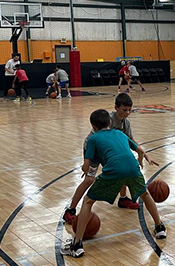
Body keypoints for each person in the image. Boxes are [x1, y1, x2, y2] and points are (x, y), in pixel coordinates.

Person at [61, 108, 166, 258]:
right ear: (110, 123)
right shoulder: (120, 133)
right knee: (145, 193)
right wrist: (140, 161)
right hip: (133, 169)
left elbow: (86, 166)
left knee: (88, 201)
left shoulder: (92, 139)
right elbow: (140, 150)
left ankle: (77, 244)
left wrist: (85, 169)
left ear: (94, 127)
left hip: (113, 171)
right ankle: (160, 227)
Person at [63, 93, 152, 223]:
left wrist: (144, 154)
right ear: (116, 108)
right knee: (89, 180)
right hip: (93, 150)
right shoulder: (107, 119)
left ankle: (123, 199)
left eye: (129, 110)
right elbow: (95, 139)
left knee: (121, 170)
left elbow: (131, 140)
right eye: (124, 110)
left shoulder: (126, 123)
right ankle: (70, 210)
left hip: (108, 152)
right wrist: (86, 164)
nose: (127, 113)